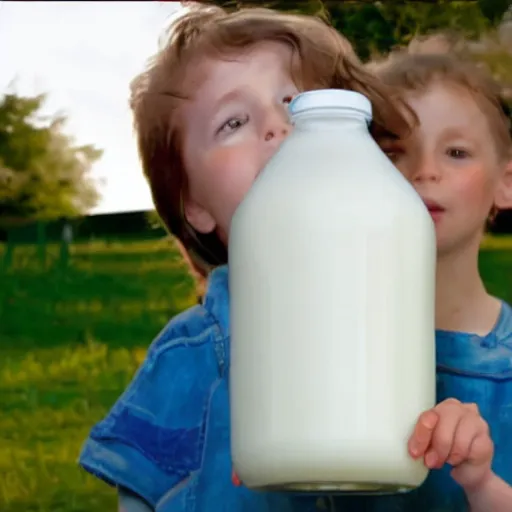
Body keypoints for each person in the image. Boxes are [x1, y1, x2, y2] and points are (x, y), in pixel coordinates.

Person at [341, 34, 512, 511]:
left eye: (456, 152)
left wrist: (481, 485)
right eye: (394, 152)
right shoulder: (326, 342)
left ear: (506, 182)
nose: (423, 171)